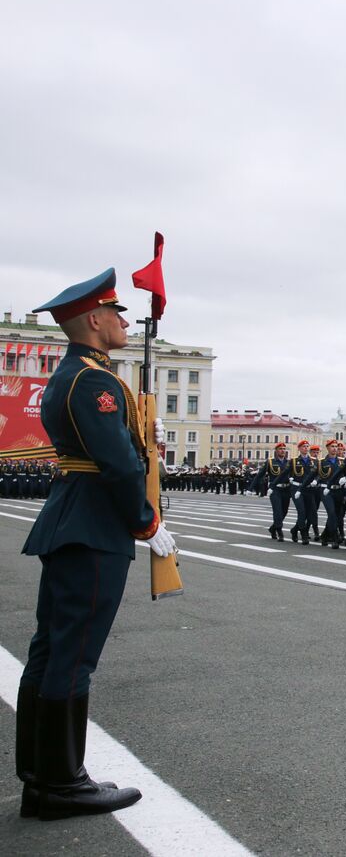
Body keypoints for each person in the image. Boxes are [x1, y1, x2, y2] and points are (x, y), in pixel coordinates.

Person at [16, 269, 175, 820]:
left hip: (73, 518)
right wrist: (146, 522)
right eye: (116, 312)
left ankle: (42, 777)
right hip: (95, 526)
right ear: (93, 320)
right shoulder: (94, 381)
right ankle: (62, 784)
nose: (124, 320)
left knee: (51, 651)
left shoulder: (76, 377)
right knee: (73, 655)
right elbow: (117, 464)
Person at [253, 441, 293, 540]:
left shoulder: (289, 462)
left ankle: (273, 528)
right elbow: (260, 475)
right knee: (277, 511)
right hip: (275, 490)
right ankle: (279, 531)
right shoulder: (270, 462)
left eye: (284, 449)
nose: (283, 451)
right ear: (276, 451)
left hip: (286, 489)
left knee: (284, 511)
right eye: (280, 449)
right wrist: (251, 488)